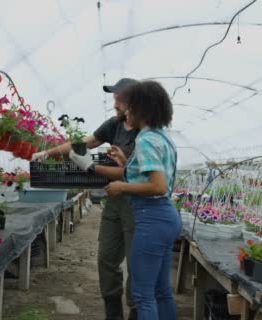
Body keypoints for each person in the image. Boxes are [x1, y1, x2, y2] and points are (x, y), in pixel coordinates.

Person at [70, 80, 180, 319]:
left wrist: (121, 186)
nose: (125, 111)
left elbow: (158, 186)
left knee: (143, 295)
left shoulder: (146, 139)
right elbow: (156, 176)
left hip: (150, 215)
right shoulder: (163, 137)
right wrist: (124, 162)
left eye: (130, 106)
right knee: (162, 291)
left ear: (142, 107)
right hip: (165, 216)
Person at [32, 78, 140, 320]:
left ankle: (136, 311)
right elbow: (85, 143)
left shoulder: (145, 132)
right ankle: (113, 313)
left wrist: (91, 167)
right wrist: (47, 153)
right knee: (107, 259)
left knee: (136, 264)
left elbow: (134, 173)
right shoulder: (115, 125)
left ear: (132, 100)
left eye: (118, 97)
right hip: (114, 199)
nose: (114, 102)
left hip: (136, 203)